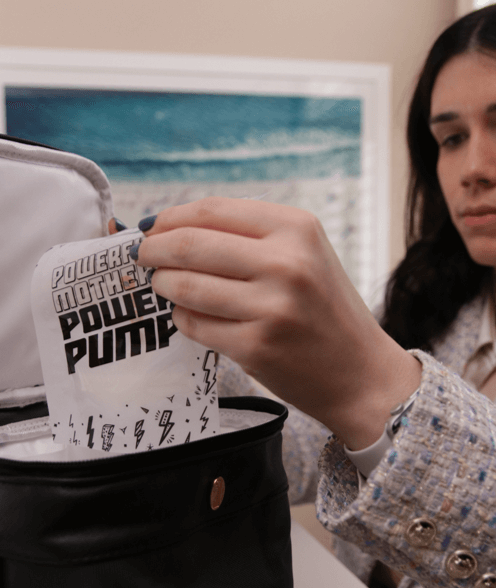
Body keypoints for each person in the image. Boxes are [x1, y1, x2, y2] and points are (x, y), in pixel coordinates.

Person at [110, 6, 496, 587]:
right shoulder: (436, 303)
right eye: (451, 137)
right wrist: (191, 324)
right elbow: (298, 455)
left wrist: (370, 382)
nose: (471, 168)